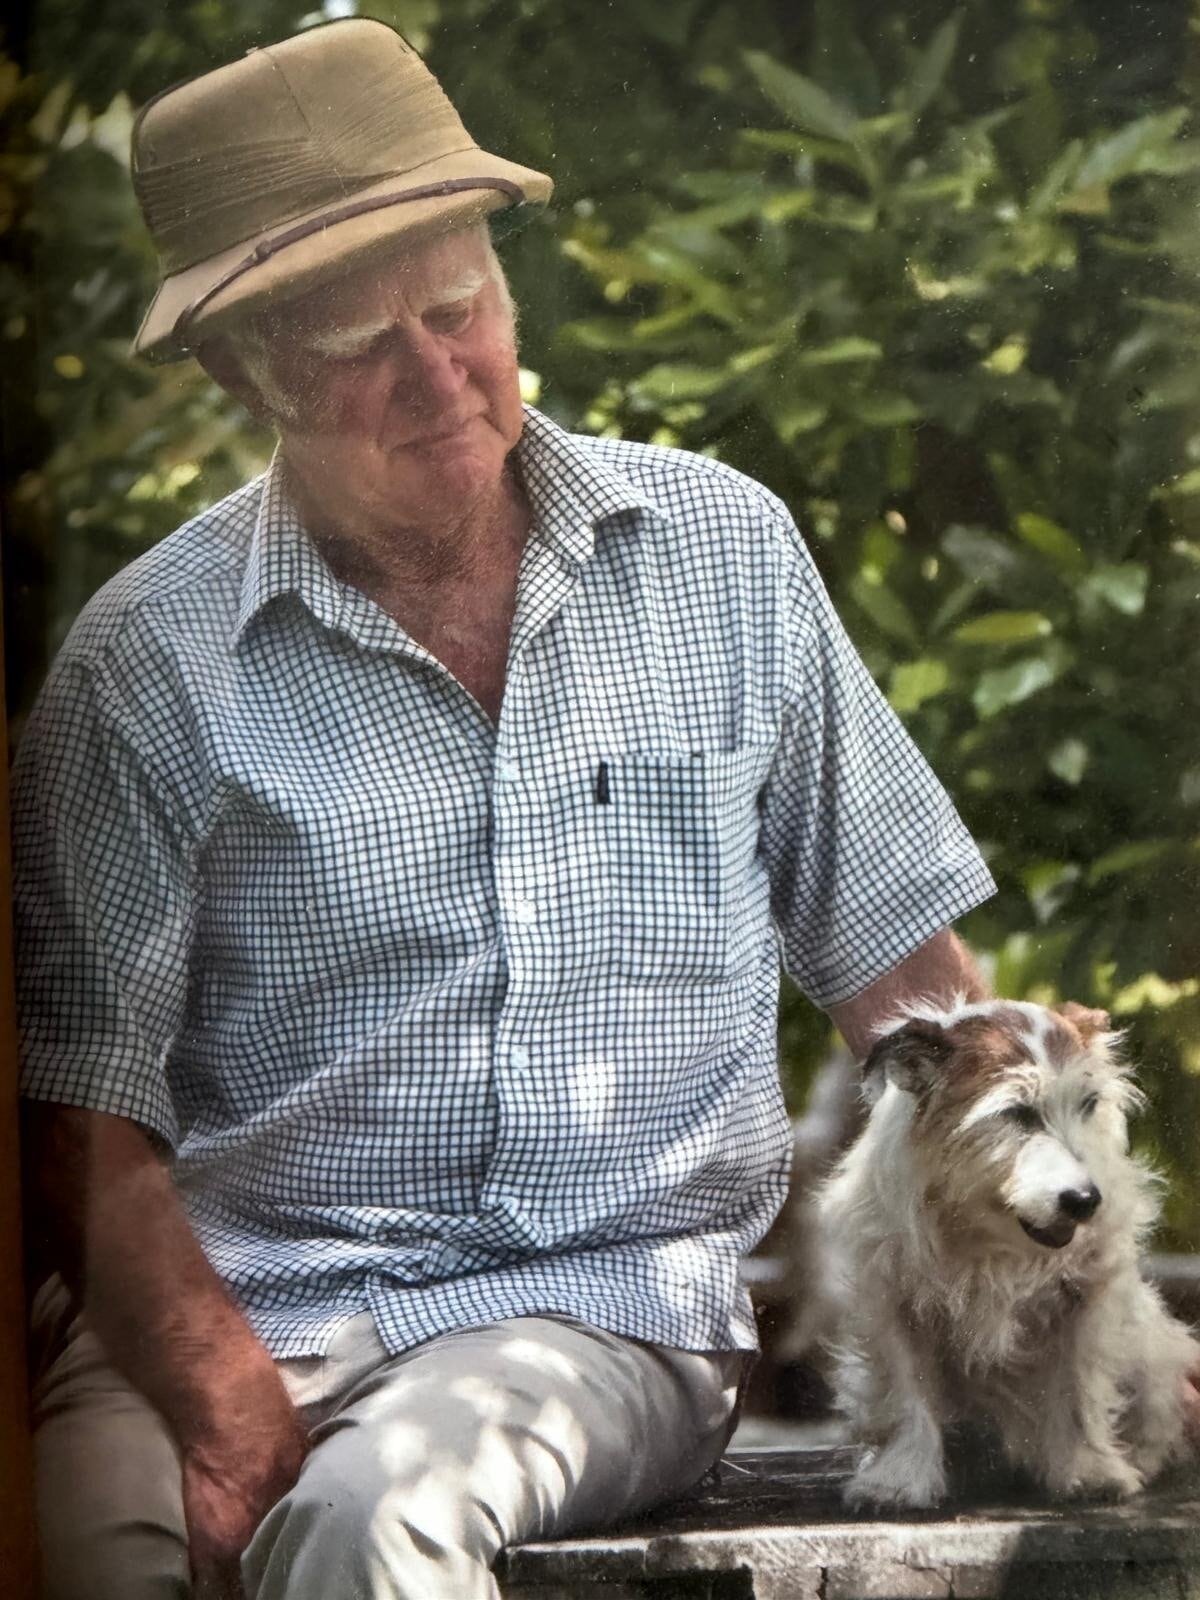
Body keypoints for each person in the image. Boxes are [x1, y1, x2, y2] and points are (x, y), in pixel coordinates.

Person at [12, 18, 1007, 1600]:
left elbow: (908, 988)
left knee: (368, 1526)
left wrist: (1056, 1290)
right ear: (238, 367)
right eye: (358, 347)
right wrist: (216, 1409)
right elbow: (79, 1118)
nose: (440, 378)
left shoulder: (722, 557)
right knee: (91, 1549)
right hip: (227, 1301)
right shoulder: (147, 660)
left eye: (460, 306)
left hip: (596, 1309)